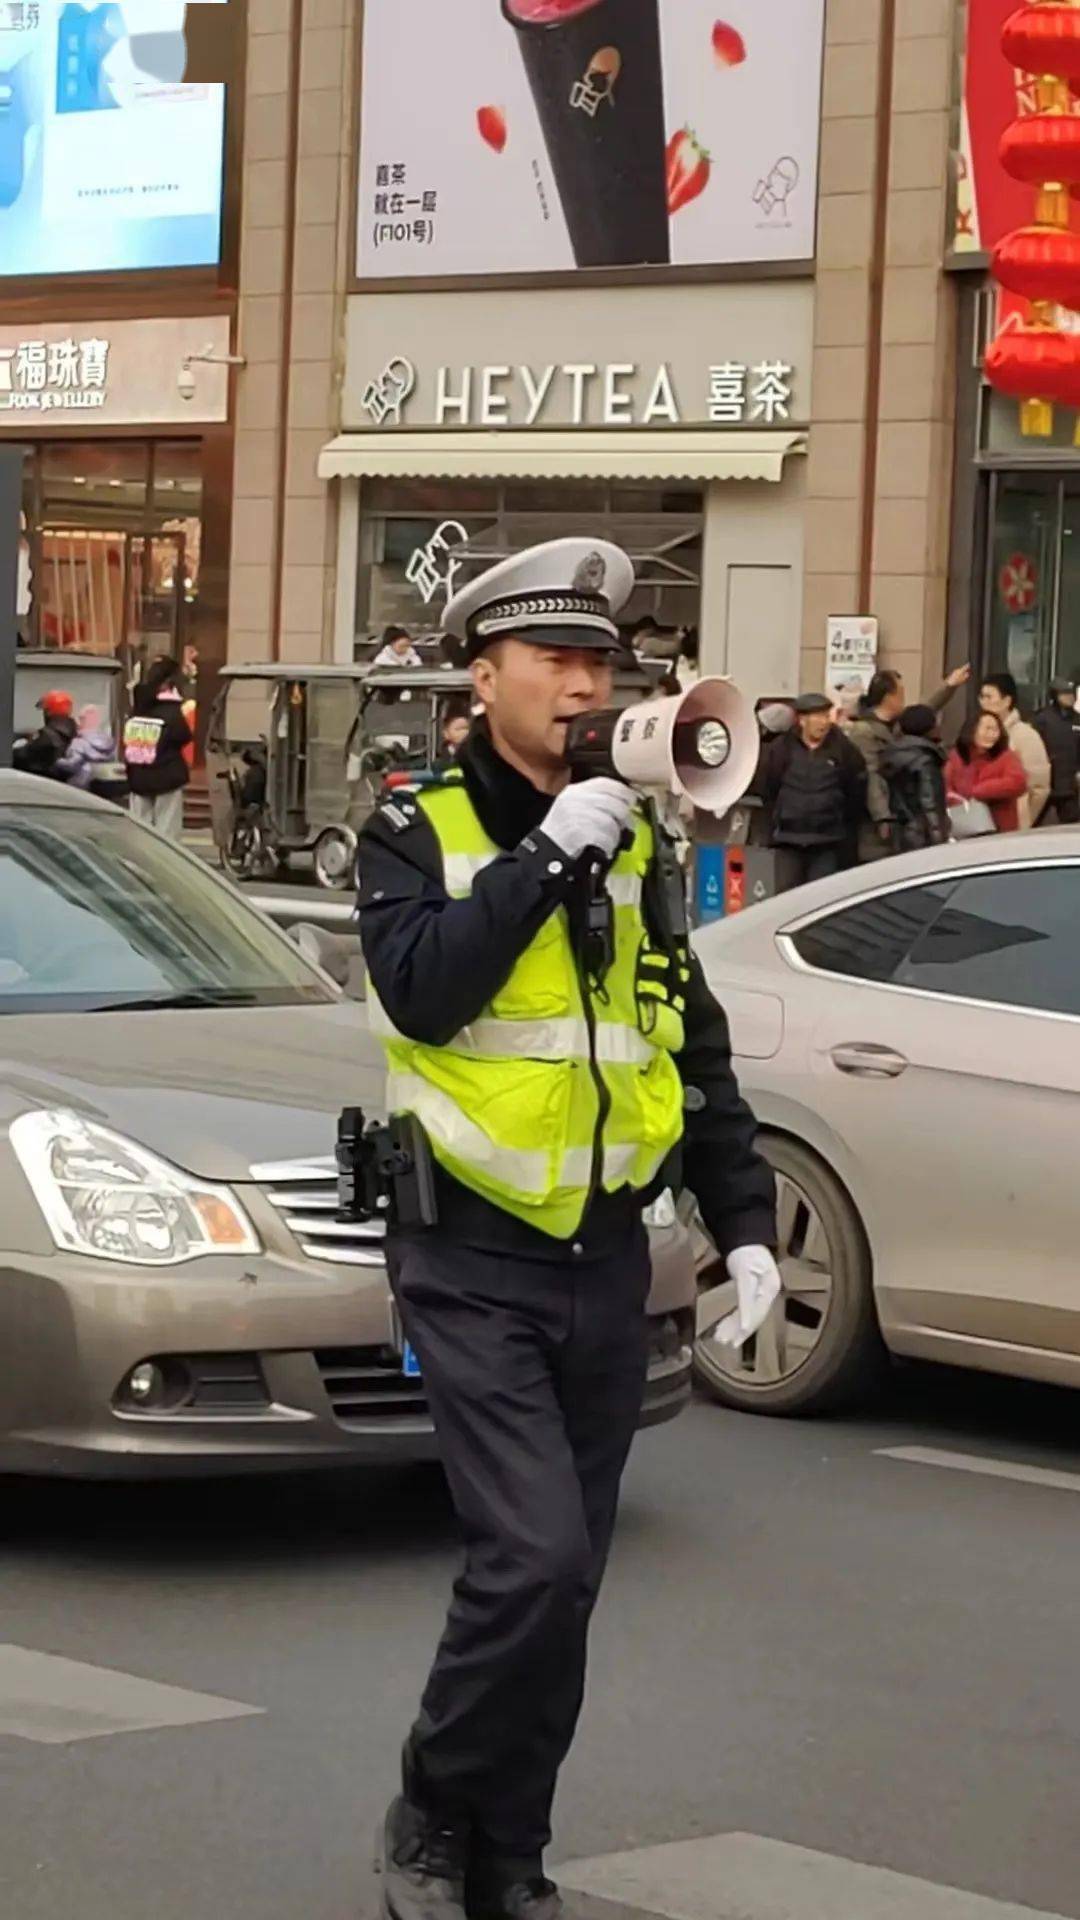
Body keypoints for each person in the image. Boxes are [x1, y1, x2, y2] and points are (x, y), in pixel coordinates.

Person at [357, 538, 779, 1920]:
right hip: (469, 1254)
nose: (585, 686)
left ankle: (508, 1853)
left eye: (602, 663)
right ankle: (432, 1808)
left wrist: (747, 1223)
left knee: (567, 1590)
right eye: (558, 662)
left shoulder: (641, 836)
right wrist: (546, 855)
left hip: (609, 1255)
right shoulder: (418, 827)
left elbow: (687, 1040)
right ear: (482, 679)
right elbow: (424, 992)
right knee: (527, 1562)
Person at [848, 664, 972, 859]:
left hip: (902, 815)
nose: (904, 699)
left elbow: (924, 711)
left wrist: (949, 686)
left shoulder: (898, 725)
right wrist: (883, 817)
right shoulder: (864, 731)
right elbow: (872, 776)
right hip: (878, 819)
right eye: (901, 693)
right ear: (889, 697)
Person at [761, 691, 867, 889]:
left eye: (827, 716)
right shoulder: (782, 748)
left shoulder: (843, 749)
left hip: (827, 840)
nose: (823, 723)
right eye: (817, 717)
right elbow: (771, 787)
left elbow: (856, 788)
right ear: (802, 720)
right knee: (787, 896)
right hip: (788, 838)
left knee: (819, 896)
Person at [122, 656, 193, 838]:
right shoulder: (171, 711)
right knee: (167, 829)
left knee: (139, 829)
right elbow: (183, 736)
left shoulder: (137, 709)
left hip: (138, 775)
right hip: (167, 775)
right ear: (168, 683)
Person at [978, 673, 1050, 828]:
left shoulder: (1025, 735)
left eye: (989, 697)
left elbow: (1039, 788)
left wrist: (1023, 821)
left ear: (1006, 701)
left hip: (1012, 826)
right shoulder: (976, 732)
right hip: (980, 823)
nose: (984, 703)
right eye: (982, 697)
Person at [945, 713, 1028, 834]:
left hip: (1000, 829)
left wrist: (980, 791)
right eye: (987, 728)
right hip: (965, 826)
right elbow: (945, 786)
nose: (992, 734)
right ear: (972, 729)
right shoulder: (956, 756)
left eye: (996, 730)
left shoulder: (1006, 756)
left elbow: (1018, 783)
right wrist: (957, 801)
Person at [882, 704, 950, 851]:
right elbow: (930, 804)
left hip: (900, 833)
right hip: (922, 836)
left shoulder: (894, 754)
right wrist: (940, 843)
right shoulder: (924, 762)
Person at [1033, 676, 1080, 825]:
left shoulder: (1078, 720)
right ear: (1055, 695)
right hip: (1047, 783)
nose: (1070, 697)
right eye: (1065, 693)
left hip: (1071, 787)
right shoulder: (1042, 719)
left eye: (1072, 693)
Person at [12, 690, 77, 780]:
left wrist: (11, 750)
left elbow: (23, 756)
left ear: (49, 712)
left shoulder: (48, 737)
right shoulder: (75, 733)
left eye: (45, 710)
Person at [55, 704, 119, 793]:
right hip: (104, 789)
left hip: (81, 788)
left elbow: (71, 765)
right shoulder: (110, 742)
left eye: (80, 718)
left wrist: (55, 761)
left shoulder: (79, 742)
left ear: (82, 720)